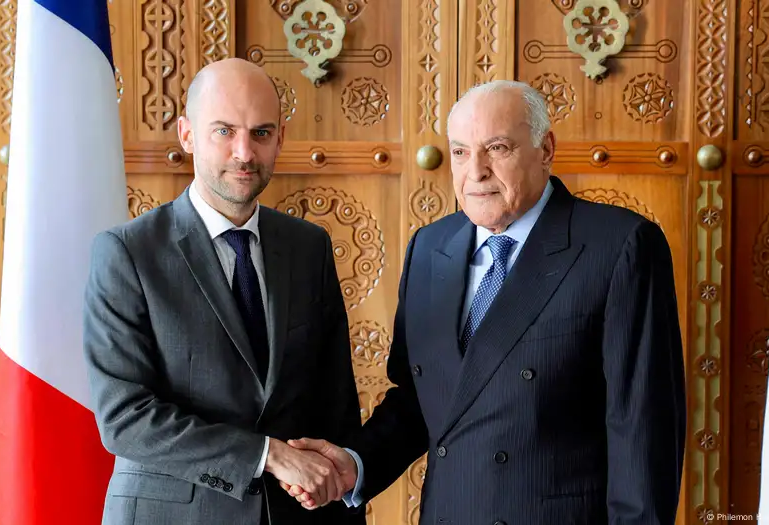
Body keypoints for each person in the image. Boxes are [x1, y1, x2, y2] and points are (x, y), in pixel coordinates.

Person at [282, 80, 687, 524]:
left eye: (497, 148)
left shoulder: (619, 245)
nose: (475, 171)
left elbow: (642, 427)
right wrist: (356, 463)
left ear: (546, 149)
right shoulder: (429, 247)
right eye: (460, 152)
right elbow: (422, 399)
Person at [82, 58, 364, 525]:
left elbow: (336, 407)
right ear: (187, 134)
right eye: (224, 131)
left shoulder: (309, 247)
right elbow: (124, 417)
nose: (244, 153)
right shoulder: (127, 252)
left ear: (280, 138)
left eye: (261, 133)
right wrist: (267, 454)